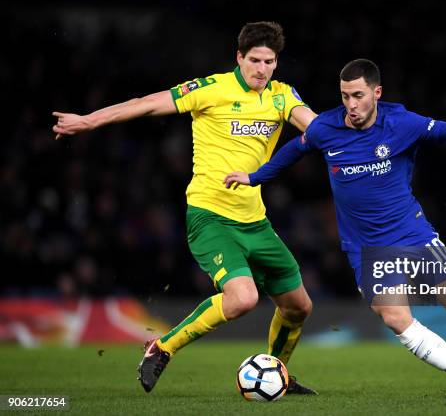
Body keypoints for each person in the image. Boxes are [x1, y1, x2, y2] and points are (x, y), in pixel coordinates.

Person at [224, 58, 446, 398]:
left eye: (357, 95)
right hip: (367, 248)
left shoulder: (402, 123)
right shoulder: (325, 129)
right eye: (344, 96)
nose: (350, 105)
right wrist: (253, 177)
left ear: (376, 93)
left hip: (412, 234)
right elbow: (293, 150)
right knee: (395, 317)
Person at [52, 22, 318, 394]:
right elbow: (145, 104)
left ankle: (277, 374)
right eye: (254, 60)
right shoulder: (210, 89)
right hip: (210, 217)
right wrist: (90, 120)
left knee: (298, 307)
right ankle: (162, 348)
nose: (261, 68)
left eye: (269, 61)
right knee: (243, 298)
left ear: (277, 63)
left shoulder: (281, 96)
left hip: (255, 221)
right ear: (239, 58)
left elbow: (315, 128)